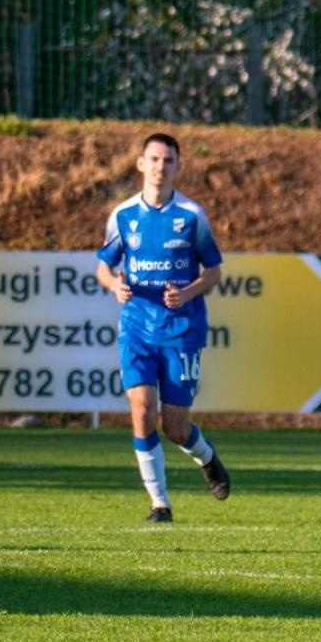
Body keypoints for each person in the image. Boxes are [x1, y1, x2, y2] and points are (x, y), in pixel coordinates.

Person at [96, 133, 230, 522]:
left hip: (180, 328)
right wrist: (114, 285)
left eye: (168, 160)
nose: (160, 166)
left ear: (177, 167)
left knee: (174, 425)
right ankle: (160, 504)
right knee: (141, 408)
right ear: (140, 164)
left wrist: (187, 293)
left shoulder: (191, 215)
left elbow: (215, 271)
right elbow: (104, 267)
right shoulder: (123, 215)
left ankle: (207, 458)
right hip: (136, 324)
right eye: (153, 159)